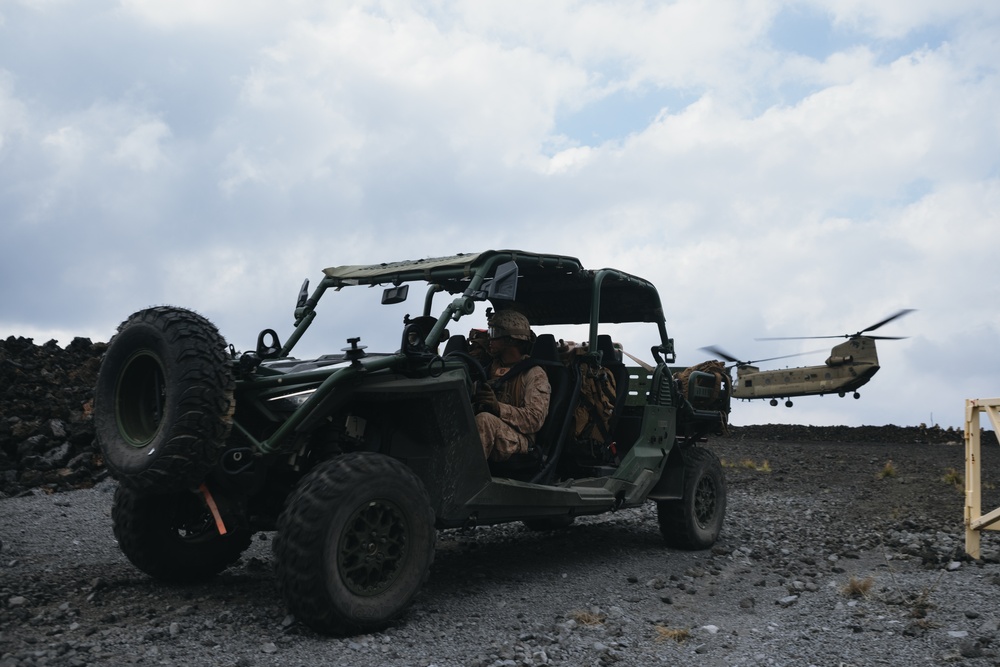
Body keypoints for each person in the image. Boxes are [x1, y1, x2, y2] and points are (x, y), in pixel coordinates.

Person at [472, 310, 551, 461]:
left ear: (511, 340)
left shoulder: (534, 374)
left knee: (485, 420)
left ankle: (465, 480)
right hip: (492, 431)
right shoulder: (487, 369)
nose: (490, 338)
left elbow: (535, 420)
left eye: (494, 333)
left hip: (520, 438)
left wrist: (498, 407)